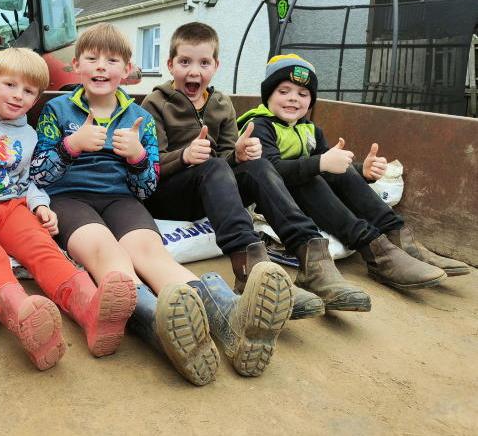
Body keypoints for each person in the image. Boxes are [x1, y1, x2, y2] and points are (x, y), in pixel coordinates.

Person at [31, 22, 291, 385]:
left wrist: (137, 157)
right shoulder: (58, 109)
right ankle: (161, 322)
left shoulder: (139, 118)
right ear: (76, 65)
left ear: (127, 70)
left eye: (112, 60)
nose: (101, 67)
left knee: (152, 255)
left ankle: (230, 315)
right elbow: (39, 174)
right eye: (92, 59)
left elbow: (147, 186)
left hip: (121, 199)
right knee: (108, 254)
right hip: (69, 198)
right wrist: (71, 146)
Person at [141, 22, 373, 324]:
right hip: (170, 194)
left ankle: (313, 260)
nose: (194, 71)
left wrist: (237, 155)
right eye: (185, 62)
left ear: (216, 66)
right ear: (170, 64)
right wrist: (184, 156)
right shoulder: (155, 103)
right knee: (214, 165)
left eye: (204, 63)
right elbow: (150, 165)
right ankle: (249, 270)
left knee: (259, 164)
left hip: (213, 191)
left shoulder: (221, 104)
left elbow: (226, 159)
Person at [0, 48, 137, 371]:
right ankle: (23, 315)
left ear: (36, 98)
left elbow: (29, 179)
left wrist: (40, 205)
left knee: (43, 248)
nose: (18, 96)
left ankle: (91, 310)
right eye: (10, 85)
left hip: (12, 205)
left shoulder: (27, 133)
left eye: (28, 91)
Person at [237, 53, 469, 289]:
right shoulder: (259, 126)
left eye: (303, 94)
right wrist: (320, 164)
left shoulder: (309, 129)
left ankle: (397, 234)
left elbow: (330, 167)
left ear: (311, 101)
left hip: (305, 196)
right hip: (271, 202)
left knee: (337, 169)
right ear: (268, 95)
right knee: (312, 175)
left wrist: (362, 171)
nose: (293, 99)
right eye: (283, 91)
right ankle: (374, 250)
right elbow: (267, 172)